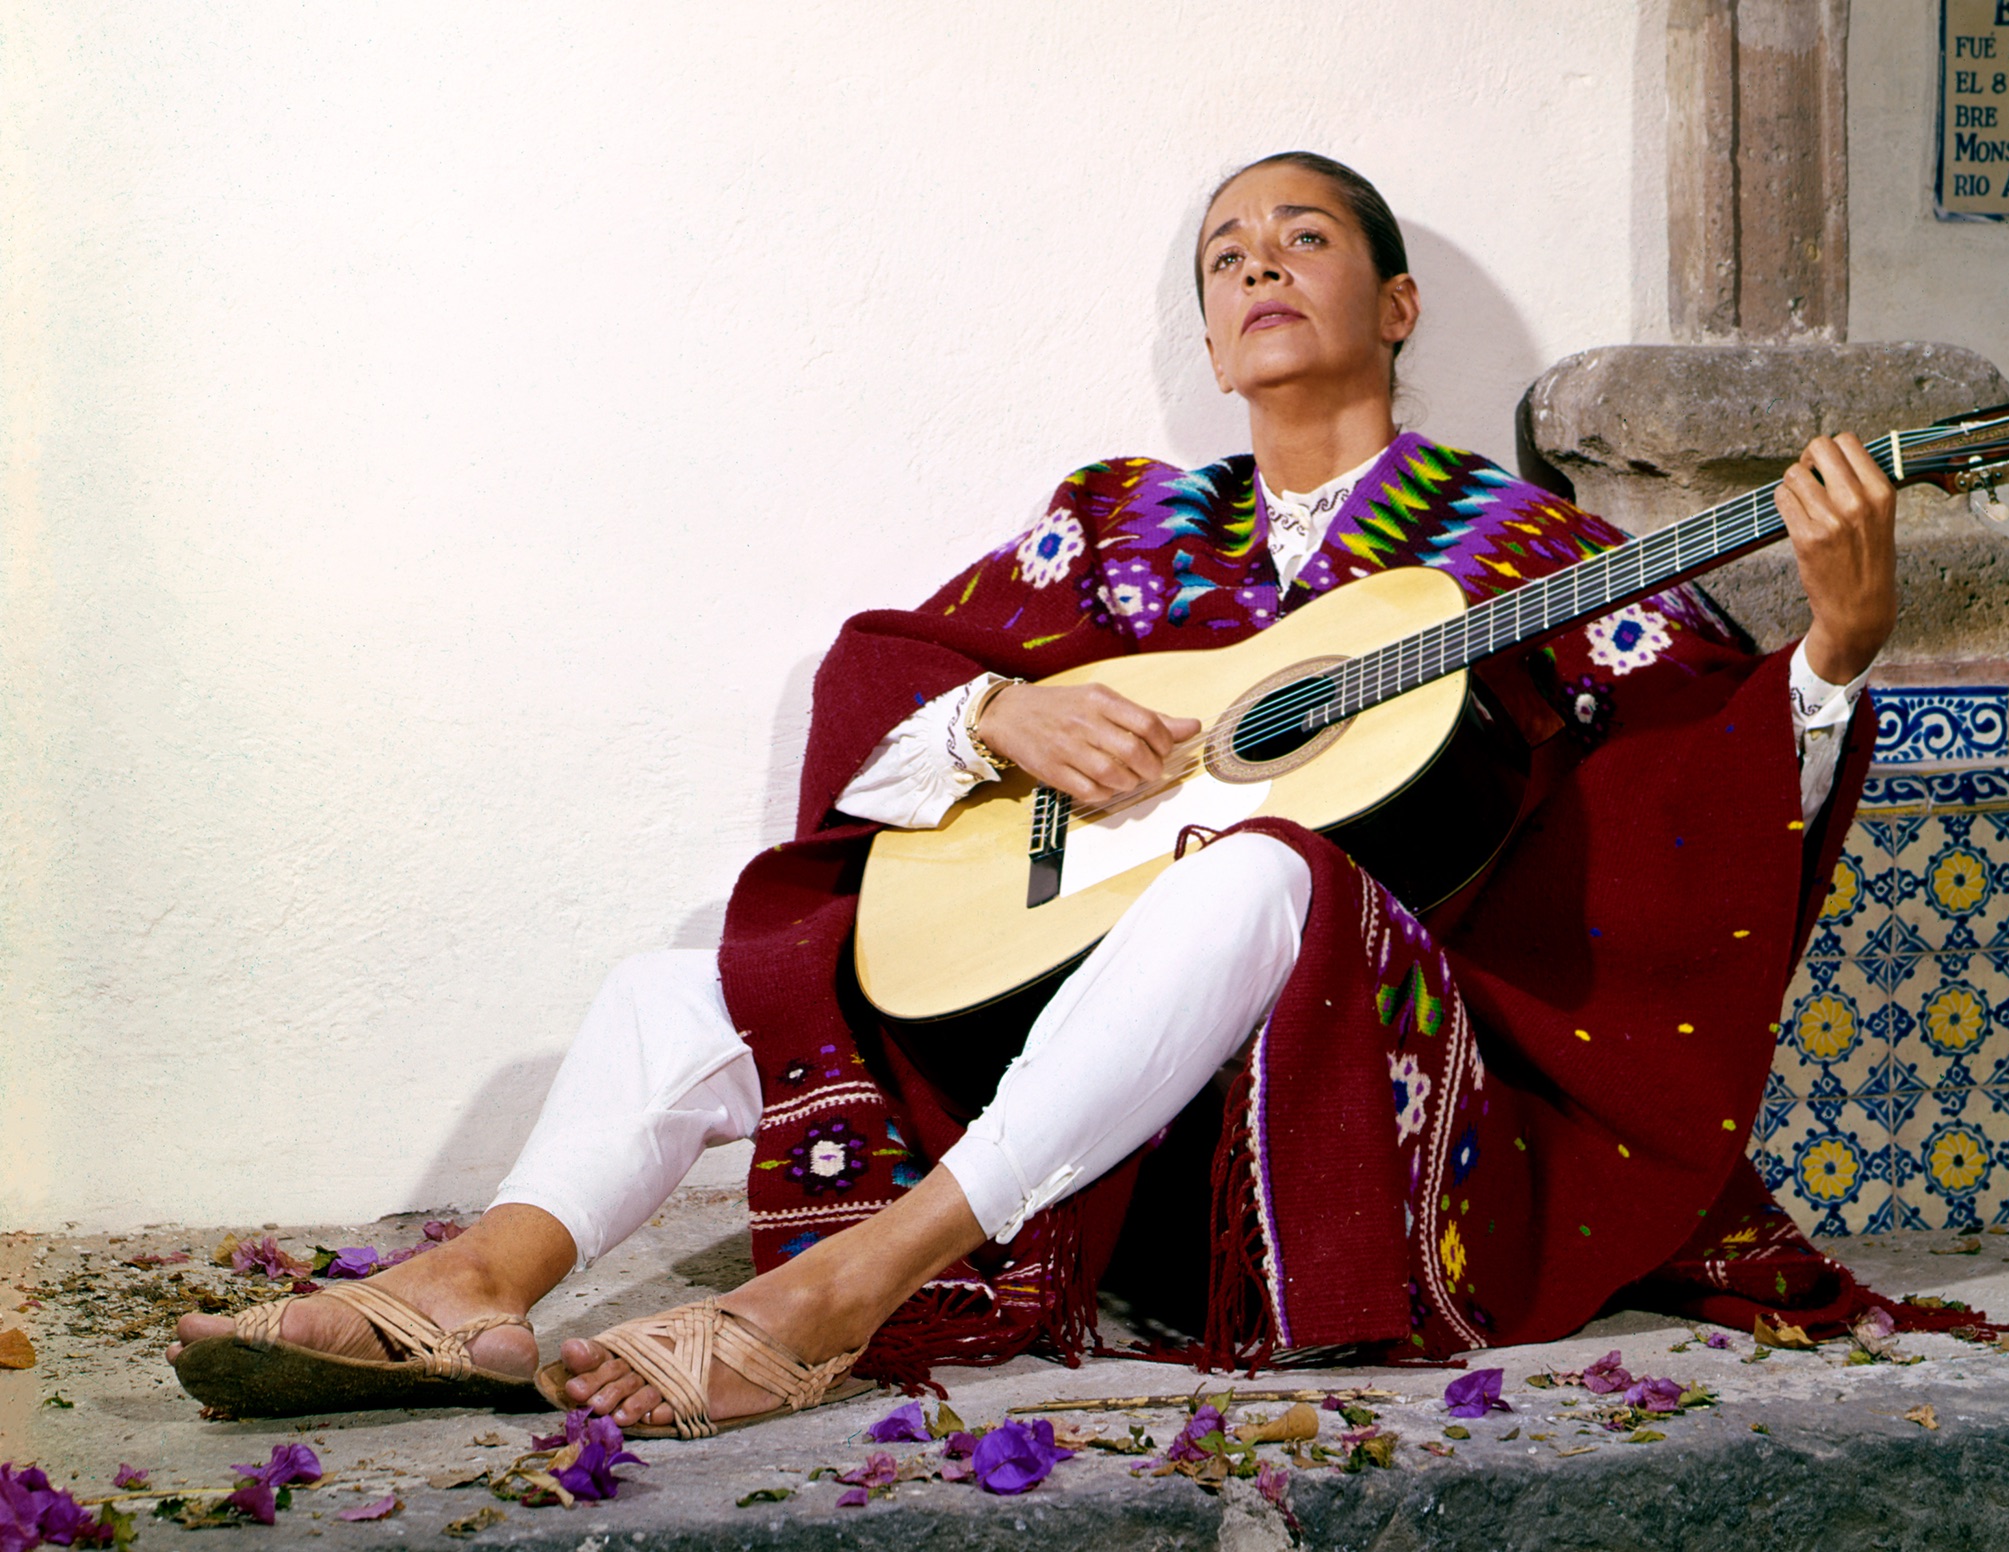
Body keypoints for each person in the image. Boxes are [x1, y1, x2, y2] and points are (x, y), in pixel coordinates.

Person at [169, 151, 1903, 1436]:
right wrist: (1004, 713)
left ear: (1395, 305)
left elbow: (1680, 800)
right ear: (1209, 336)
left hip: (1318, 1103)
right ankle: (484, 1282)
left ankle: (858, 1281)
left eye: (1304, 235)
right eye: (1225, 252)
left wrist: (1829, 648)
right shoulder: (1123, 522)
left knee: (1259, 868)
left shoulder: (1523, 553)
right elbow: (889, 681)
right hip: (1068, 1056)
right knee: (679, 986)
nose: (1258, 261)